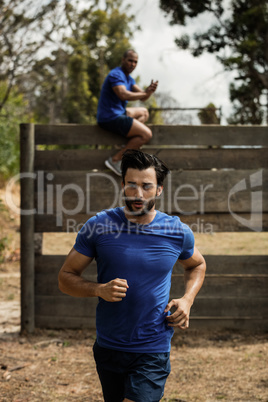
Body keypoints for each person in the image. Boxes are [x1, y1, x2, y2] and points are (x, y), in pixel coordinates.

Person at [58, 149, 206, 402]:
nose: (138, 194)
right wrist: (98, 289)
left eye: (146, 186)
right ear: (122, 185)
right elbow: (66, 277)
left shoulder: (177, 231)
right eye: (131, 185)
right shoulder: (99, 226)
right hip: (109, 346)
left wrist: (187, 300)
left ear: (159, 189)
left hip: (153, 346)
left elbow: (197, 265)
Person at [97, 49, 158, 176]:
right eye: (130, 61)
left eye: (135, 62)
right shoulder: (116, 74)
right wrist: (144, 93)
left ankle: (130, 142)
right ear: (123, 60)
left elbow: (143, 98)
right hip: (110, 117)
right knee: (146, 135)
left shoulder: (129, 79)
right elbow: (123, 94)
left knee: (144, 113)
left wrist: (149, 92)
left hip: (119, 114)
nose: (133, 64)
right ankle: (116, 159)